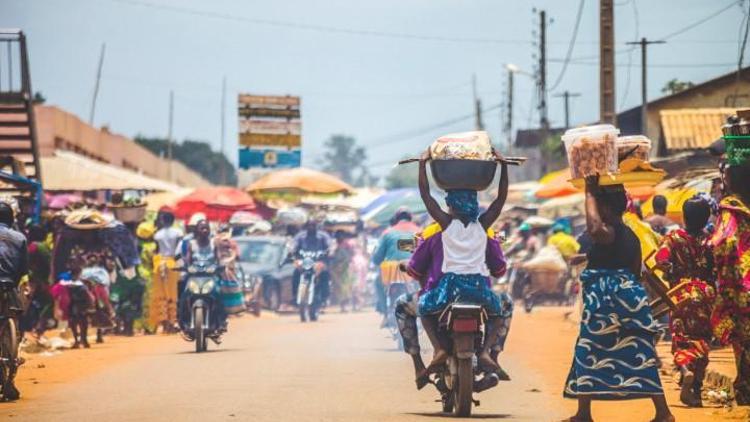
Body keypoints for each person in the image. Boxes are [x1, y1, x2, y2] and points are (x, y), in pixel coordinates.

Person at [564, 177, 672, 422]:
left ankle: (584, 413)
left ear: (607, 208)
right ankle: (662, 412)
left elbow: (594, 229)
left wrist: (590, 192)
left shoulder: (608, 232)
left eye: (599, 206)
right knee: (640, 352)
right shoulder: (630, 236)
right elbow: (635, 272)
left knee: (588, 349)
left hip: (608, 302)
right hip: (627, 300)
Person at [415, 149, 510, 377]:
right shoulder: (484, 226)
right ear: (473, 205)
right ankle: (486, 352)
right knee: (499, 313)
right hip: (478, 288)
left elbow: (426, 195)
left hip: (450, 287)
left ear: (452, 205)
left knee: (423, 309)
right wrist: (503, 167)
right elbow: (500, 200)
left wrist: (422, 165)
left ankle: (439, 350)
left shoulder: (446, 224)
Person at [396, 223, 512, 390]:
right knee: (505, 303)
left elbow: (415, 270)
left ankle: (419, 365)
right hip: (480, 296)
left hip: (440, 297)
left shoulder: (433, 233)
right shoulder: (486, 233)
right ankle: (490, 355)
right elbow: (500, 270)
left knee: (402, 305)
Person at [654, 196, 716, 407]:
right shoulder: (711, 239)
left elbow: (660, 259)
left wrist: (670, 270)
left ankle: (685, 369)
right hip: (707, 295)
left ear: (685, 216)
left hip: (682, 295)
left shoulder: (674, 238)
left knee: (681, 338)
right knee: (703, 340)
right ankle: (695, 391)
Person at [710, 160, 750, 405]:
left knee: (744, 341)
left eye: (726, 174)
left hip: (741, 285)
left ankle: (746, 392)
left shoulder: (730, 209)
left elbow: (723, 242)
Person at [0, 203, 28, 400]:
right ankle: (10, 377)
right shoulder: (19, 238)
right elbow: (23, 269)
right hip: (8, 286)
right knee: (15, 320)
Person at [371, 208, 420, 317]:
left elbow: (377, 257)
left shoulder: (388, 233)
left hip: (391, 273)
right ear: (410, 218)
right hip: (413, 270)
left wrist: (376, 261)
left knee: (378, 282)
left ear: (396, 219)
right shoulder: (420, 231)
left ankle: (385, 313)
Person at [181, 219, 228, 331]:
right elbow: (188, 260)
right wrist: (187, 267)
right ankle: (182, 321)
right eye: (202, 228)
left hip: (210, 276)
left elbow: (219, 258)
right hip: (195, 276)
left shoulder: (214, 243)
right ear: (197, 230)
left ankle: (221, 321)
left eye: (206, 228)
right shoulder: (191, 244)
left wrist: (219, 267)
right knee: (184, 295)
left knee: (219, 294)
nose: (205, 230)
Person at [151, 212, 183, 333]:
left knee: (161, 294)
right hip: (172, 263)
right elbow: (179, 250)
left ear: (163, 220)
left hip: (159, 264)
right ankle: (171, 322)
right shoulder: (178, 232)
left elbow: (156, 250)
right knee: (172, 294)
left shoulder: (157, 234)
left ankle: (164, 323)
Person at [291, 220, 332, 314]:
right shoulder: (300, 236)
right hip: (305, 262)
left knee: (325, 275)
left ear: (316, 227)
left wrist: (329, 252)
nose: (311, 228)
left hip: (318, 262)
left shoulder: (323, 236)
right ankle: (295, 296)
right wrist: (292, 253)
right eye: (309, 226)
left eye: (313, 226)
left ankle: (325, 297)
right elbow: (294, 246)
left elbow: (330, 246)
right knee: (296, 274)